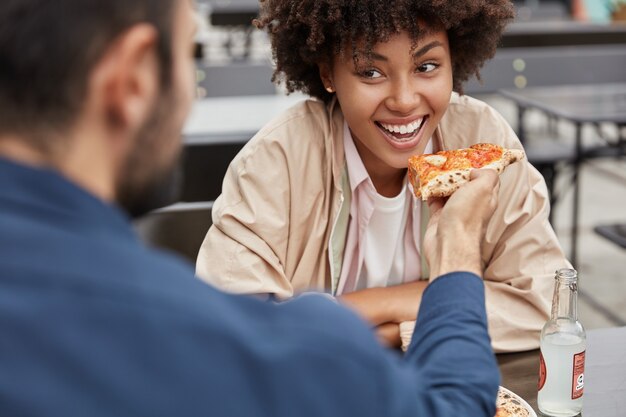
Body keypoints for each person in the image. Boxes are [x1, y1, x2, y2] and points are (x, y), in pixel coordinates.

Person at [0, 0, 502, 415]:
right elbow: (452, 406)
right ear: (131, 78)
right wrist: (456, 249)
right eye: (189, 52)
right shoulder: (187, 338)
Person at [196, 0, 571, 351]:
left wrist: (376, 317)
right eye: (370, 72)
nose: (405, 100)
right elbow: (227, 333)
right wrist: (445, 301)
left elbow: (548, 303)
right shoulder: (278, 159)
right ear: (328, 72)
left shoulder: (483, 144)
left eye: (426, 66)